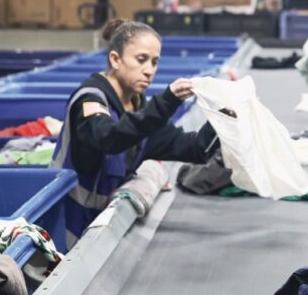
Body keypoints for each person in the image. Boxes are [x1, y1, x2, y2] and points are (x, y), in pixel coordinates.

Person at [51, 19, 220, 240]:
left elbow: (196, 148)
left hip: (102, 226)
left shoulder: (139, 108)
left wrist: (223, 116)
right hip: (66, 226)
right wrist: (166, 102)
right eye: (141, 60)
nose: (149, 71)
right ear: (115, 59)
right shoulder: (90, 100)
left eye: (154, 62)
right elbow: (110, 138)